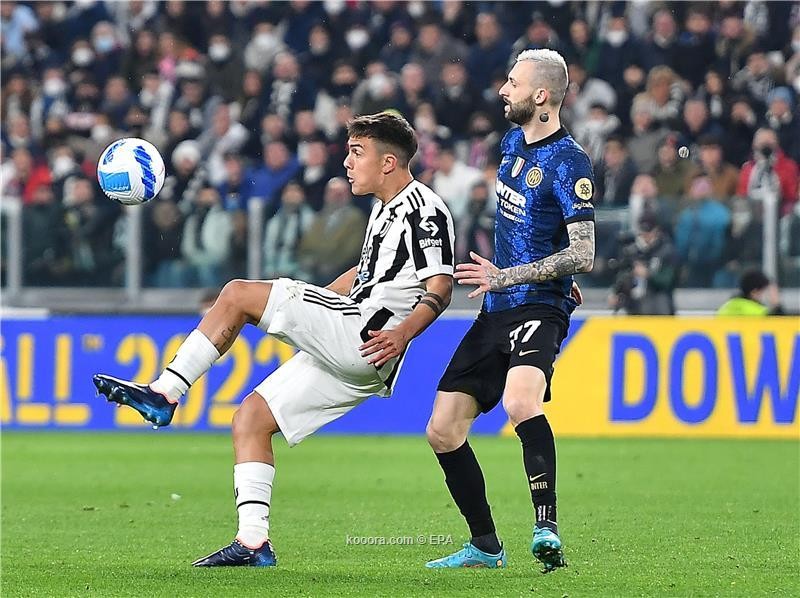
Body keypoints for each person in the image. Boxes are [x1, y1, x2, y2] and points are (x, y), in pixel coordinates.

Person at [92, 112, 456, 567]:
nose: (346, 162)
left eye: (356, 153)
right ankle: (253, 543)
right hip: (360, 351)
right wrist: (319, 302)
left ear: (388, 162)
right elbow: (365, 275)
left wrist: (403, 332)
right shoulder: (384, 209)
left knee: (237, 294)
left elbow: (440, 285)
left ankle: (165, 392)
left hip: (366, 333)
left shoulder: (424, 209)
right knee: (251, 418)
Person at [424, 49, 595, 573]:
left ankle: (546, 528)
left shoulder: (571, 163)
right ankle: (484, 545)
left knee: (523, 403)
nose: (503, 89)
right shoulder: (512, 141)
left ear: (541, 95)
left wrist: (517, 276)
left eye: (513, 82)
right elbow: (530, 234)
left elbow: (584, 253)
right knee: (442, 430)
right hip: (496, 308)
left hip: (539, 306)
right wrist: (512, 276)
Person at [717, 269, 785, 315]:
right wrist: (776, 305)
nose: (770, 294)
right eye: (767, 291)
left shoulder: (726, 307)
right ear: (754, 292)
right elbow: (782, 329)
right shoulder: (758, 312)